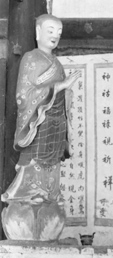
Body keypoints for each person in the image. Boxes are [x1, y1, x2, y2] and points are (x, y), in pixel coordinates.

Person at [2, 14, 80, 204]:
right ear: (38, 32)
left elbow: (61, 93)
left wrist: (66, 94)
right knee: (36, 159)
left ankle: (50, 192)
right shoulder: (31, 58)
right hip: (39, 122)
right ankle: (30, 192)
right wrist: (59, 87)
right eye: (50, 30)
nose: (55, 36)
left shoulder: (57, 63)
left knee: (54, 160)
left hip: (56, 122)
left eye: (59, 32)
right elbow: (23, 95)